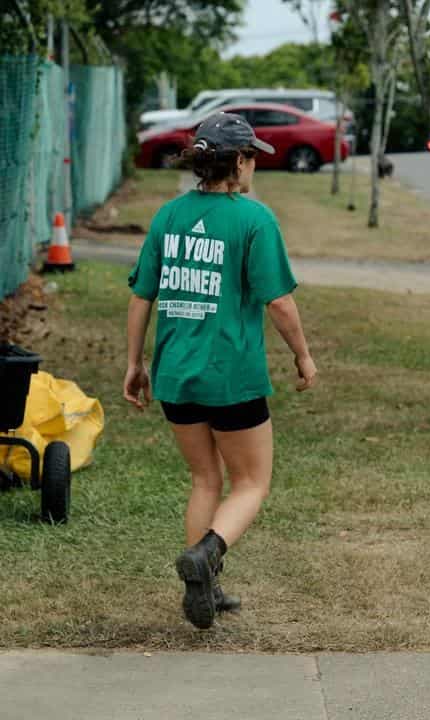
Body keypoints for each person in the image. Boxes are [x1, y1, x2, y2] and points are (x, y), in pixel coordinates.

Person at [124, 112, 317, 629]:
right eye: (251, 156)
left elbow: (143, 294)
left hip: (176, 377)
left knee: (204, 478)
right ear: (236, 162)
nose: (254, 166)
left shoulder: (168, 216)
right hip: (231, 376)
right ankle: (205, 554)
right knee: (251, 483)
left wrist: (134, 362)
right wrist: (302, 355)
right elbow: (277, 302)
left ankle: (204, 591)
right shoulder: (253, 219)